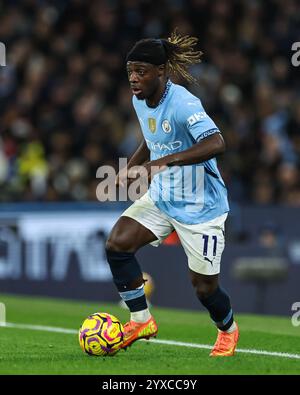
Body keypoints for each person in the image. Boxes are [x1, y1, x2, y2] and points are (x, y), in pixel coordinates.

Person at [105, 30, 239, 357]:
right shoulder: (140, 100)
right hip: (163, 197)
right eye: (130, 72)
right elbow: (151, 138)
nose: (134, 79)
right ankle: (141, 319)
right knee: (117, 244)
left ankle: (228, 329)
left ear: (161, 71)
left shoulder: (184, 103)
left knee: (204, 288)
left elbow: (216, 143)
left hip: (201, 207)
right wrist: (133, 165)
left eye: (141, 71)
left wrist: (159, 164)